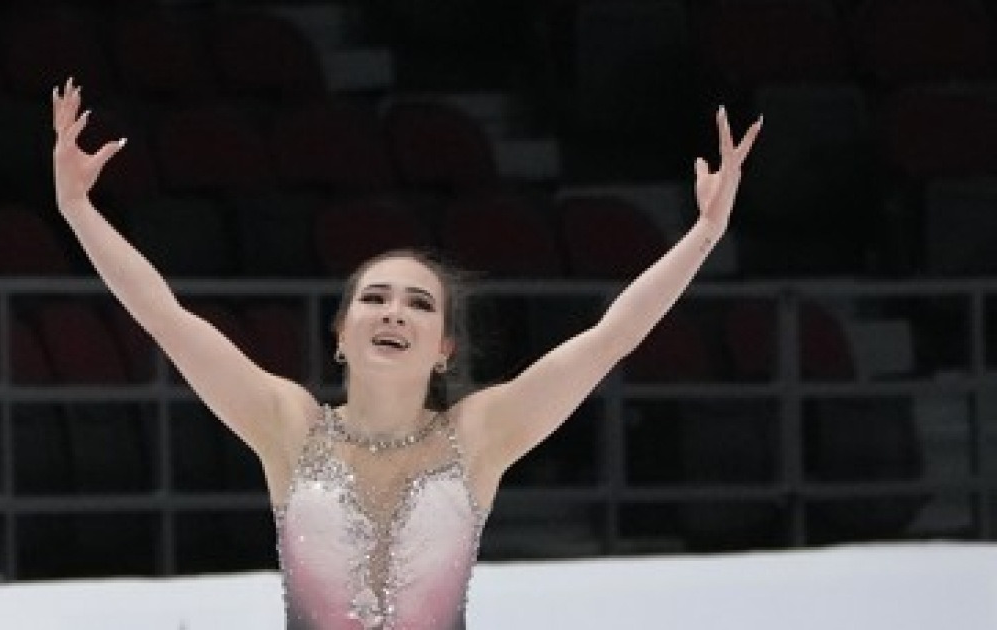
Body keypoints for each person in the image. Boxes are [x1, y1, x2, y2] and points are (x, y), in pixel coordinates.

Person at [50, 77, 762, 629]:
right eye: (375, 297)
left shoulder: (479, 435)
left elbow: (611, 337)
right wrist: (79, 211)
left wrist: (703, 233)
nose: (394, 310)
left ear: (444, 348)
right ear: (340, 333)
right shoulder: (287, 426)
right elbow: (164, 317)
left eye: (419, 303)